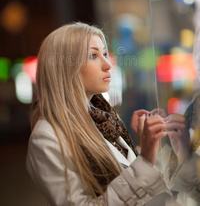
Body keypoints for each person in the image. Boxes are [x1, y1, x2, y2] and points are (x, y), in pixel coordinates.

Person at [26, 22, 169, 206]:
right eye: (93, 56)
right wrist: (145, 159)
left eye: (104, 53)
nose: (108, 64)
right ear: (66, 68)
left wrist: (145, 148)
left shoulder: (102, 117)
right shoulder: (46, 137)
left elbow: (128, 186)